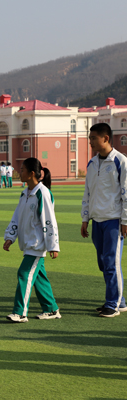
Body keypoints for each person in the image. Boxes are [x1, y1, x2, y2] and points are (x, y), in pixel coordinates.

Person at [4, 157, 60, 322]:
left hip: (37, 244)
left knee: (24, 273)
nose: (19, 172)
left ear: (32, 173)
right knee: (39, 277)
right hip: (28, 242)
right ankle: (51, 309)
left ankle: (20, 312)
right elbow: (17, 217)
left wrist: (53, 245)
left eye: (22, 170)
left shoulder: (42, 193)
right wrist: (10, 237)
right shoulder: (25, 193)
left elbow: (49, 221)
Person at [81, 122, 127, 317]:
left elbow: (126, 193)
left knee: (111, 263)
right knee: (103, 263)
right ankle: (120, 301)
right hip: (97, 220)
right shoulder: (92, 164)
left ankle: (113, 304)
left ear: (105, 138)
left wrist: (125, 220)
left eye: (93, 138)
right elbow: (87, 193)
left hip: (113, 220)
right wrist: (85, 218)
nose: (90, 141)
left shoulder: (121, 162)